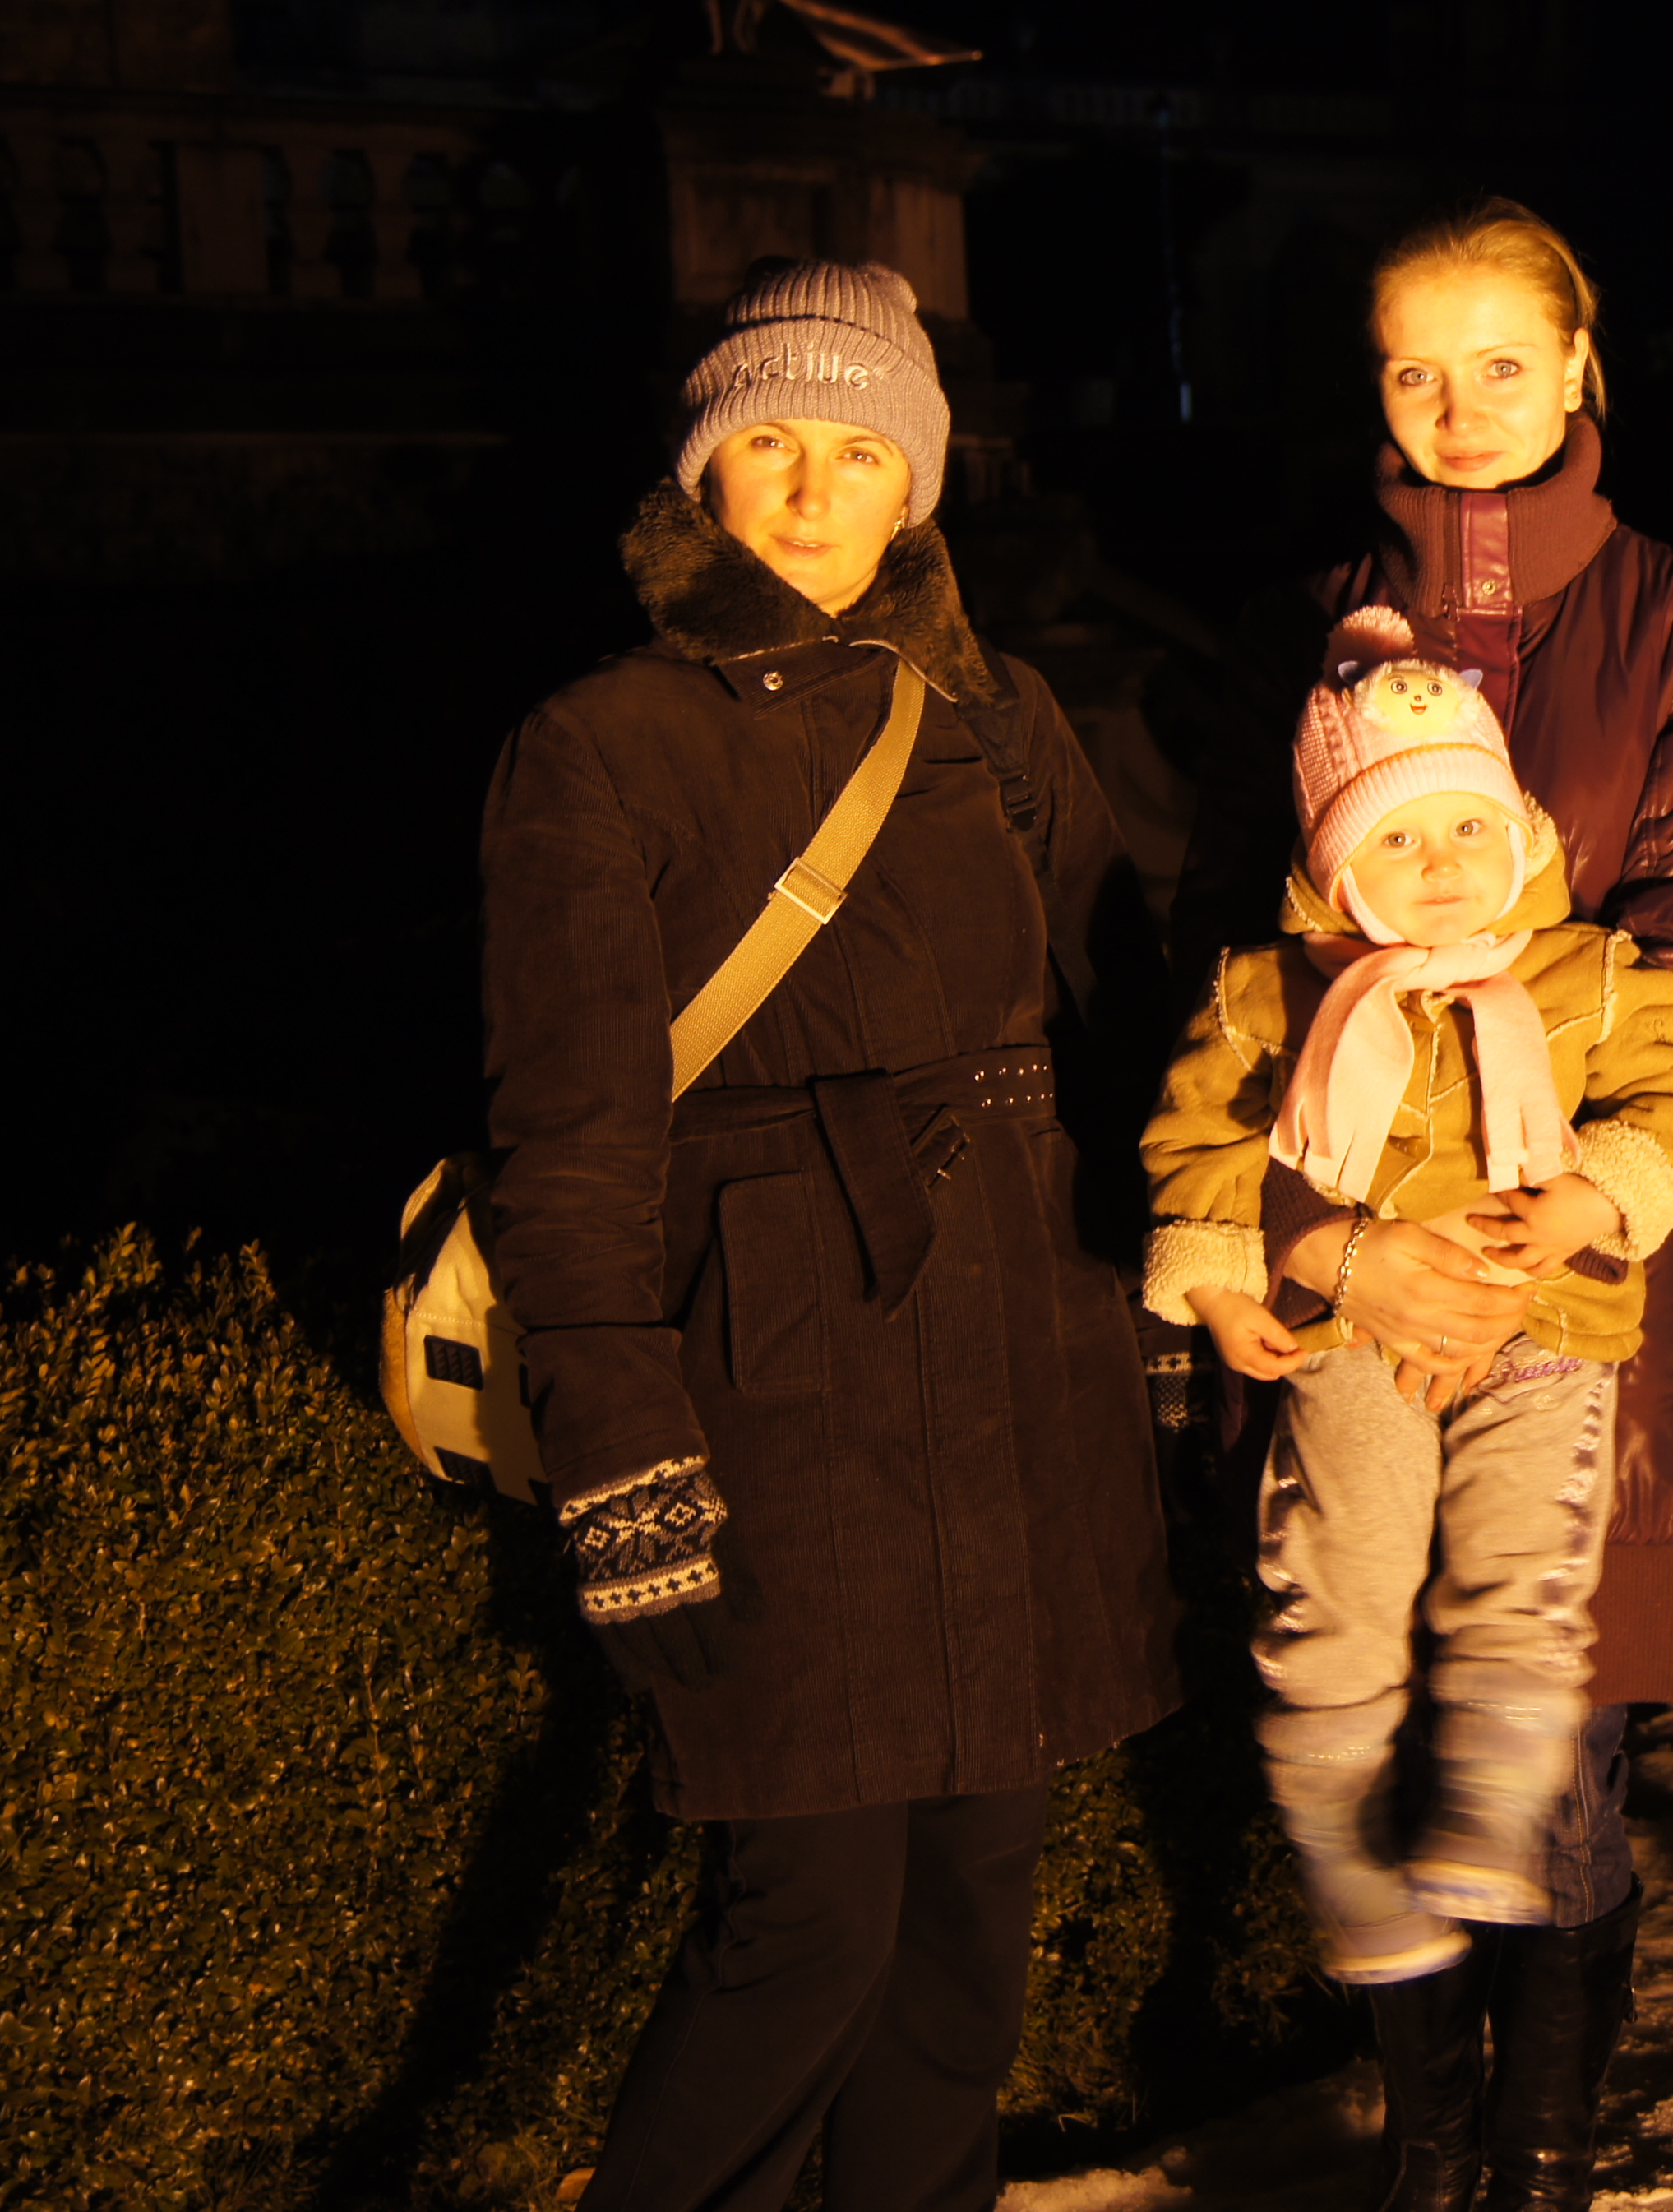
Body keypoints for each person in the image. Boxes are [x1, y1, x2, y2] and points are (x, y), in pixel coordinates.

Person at [480, 258, 1179, 2212]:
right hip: (780, 1371)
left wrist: (1171, 1304)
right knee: (806, 1926)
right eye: (768, 443)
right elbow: (567, 1142)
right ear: (699, 473)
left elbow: (1132, 1033)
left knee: (969, 1917)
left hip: (1016, 1351)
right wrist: (624, 1456)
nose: (809, 490)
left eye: (860, 451)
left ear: (917, 485)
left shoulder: (1006, 714)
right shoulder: (598, 744)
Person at [1170, 200, 1673, 2210]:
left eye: (1499, 362)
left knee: (1554, 1718)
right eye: (1414, 370)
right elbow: (1233, 960)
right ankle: (1427, 2154)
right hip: (1342, 1245)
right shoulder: (1306, 614)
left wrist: (1549, 1220)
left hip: (1583, 1240)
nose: (1458, 407)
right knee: (1360, 1683)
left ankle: (1539, 2154)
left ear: (1581, 367)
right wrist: (1321, 1247)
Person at [1137, 612, 1673, 1997]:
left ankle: (1489, 1811)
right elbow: (1202, 1142)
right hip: (1353, 1340)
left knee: (1524, 1572)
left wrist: (1595, 1194)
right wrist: (1219, 1285)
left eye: (1468, 828)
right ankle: (1344, 1848)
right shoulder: (1269, 995)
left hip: (1547, 1330)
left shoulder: (1585, 974)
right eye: (1396, 841)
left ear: (1520, 834)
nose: (1445, 866)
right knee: (1340, 1577)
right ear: (1335, 867)